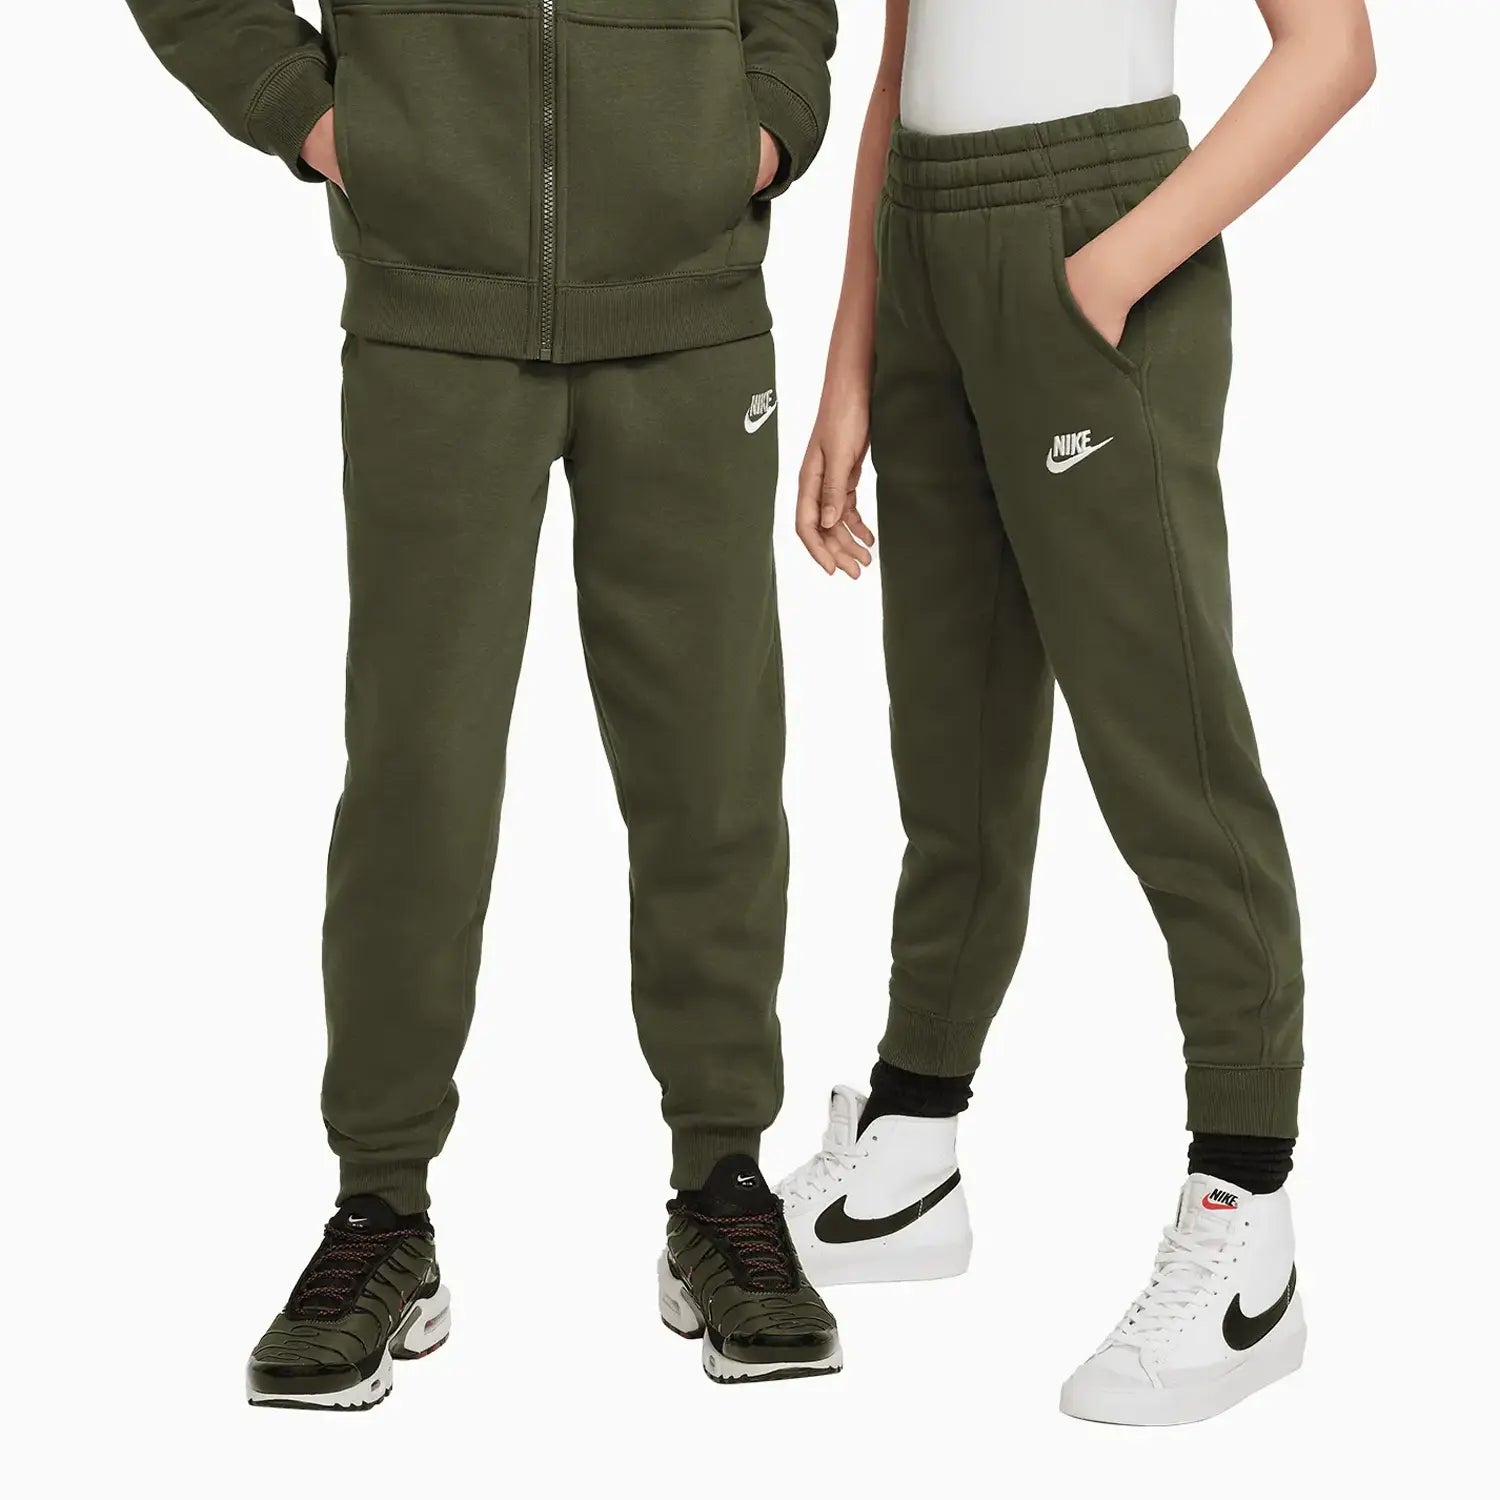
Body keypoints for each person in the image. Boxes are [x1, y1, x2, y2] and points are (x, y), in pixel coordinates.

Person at [125, 0, 843, 1404]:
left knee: (713, 769)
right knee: (420, 779)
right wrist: (321, 118)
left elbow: (796, 13)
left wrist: (756, 130)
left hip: (692, 313)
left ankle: (722, 1187)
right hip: (432, 314)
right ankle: (381, 1209)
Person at [777, 0, 1375, 1425]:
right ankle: (911, 1145)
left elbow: (1334, 50)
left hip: (1094, 236)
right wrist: (855, 358)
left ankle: (1248, 1217)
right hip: (922, 252)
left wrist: (1103, 274)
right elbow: (903, 65)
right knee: (953, 746)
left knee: (1170, 756)